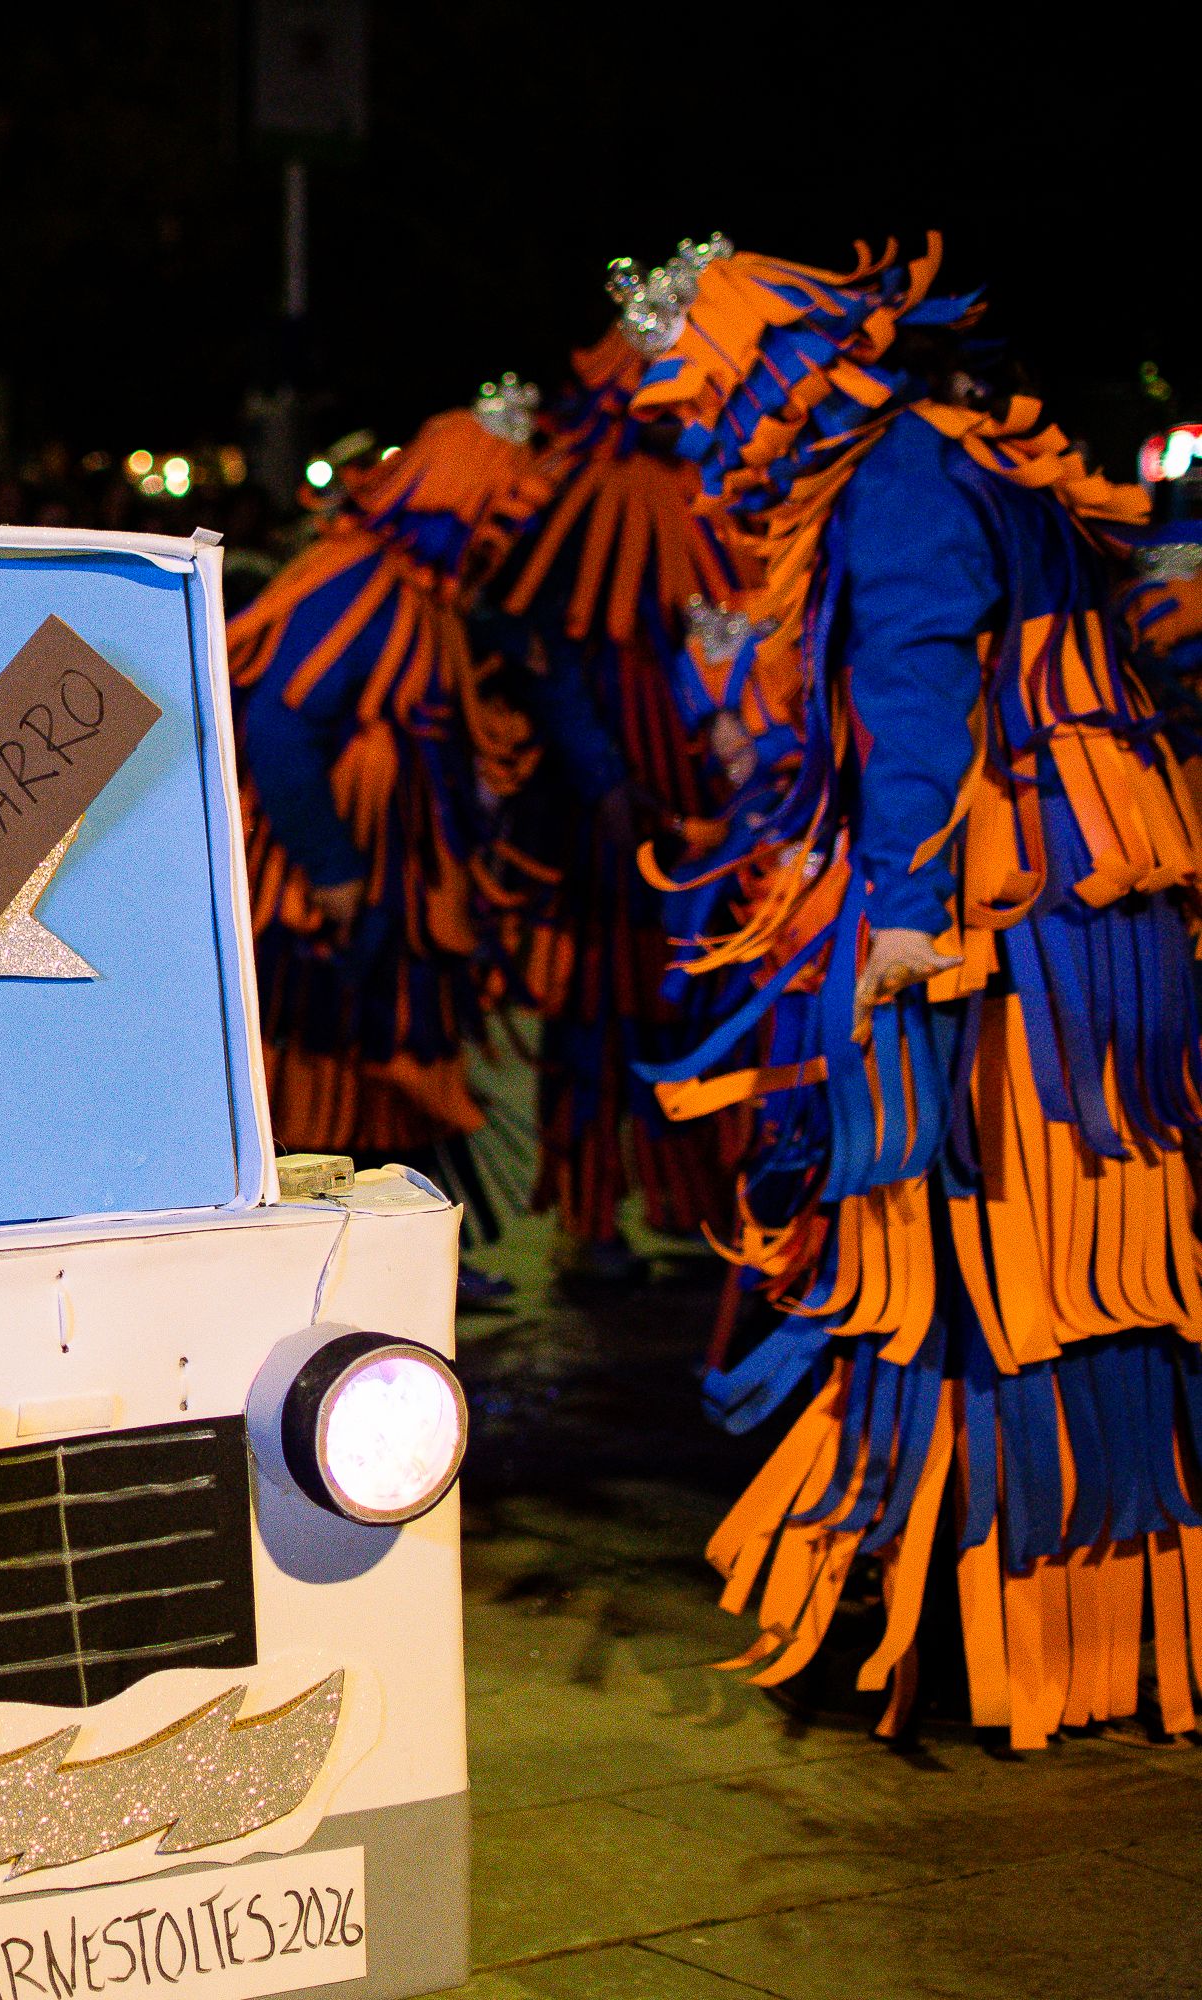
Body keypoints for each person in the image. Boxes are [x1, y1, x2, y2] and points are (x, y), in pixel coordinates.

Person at [631, 237, 1202, 1745]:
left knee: (988, 1246)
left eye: (707, 393)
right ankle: (1096, 1616)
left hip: (1015, 904)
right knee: (1095, 1261)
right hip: (1102, 885)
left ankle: (995, 1611)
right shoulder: (965, 456)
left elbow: (916, 688)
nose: (703, 430)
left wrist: (898, 909)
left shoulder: (891, 483)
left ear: (769, 381)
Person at [229, 381, 546, 1307]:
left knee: (380, 1061)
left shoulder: (410, 588)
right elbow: (283, 728)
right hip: (337, 884)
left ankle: (397, 1258)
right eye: (501, 509)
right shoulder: (360, 586)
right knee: (333, 1060)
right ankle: (325, 1268)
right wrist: (330, 871)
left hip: (387, 879)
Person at [480, 323, 746, 1290]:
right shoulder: (588, 498)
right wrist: (604, 782)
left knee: (687, 1001)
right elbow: (552, 659)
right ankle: (593, 1220)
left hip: (695, 798)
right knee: (599, 1012)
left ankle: (687, 1202)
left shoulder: (707, 496)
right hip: (616, 817)